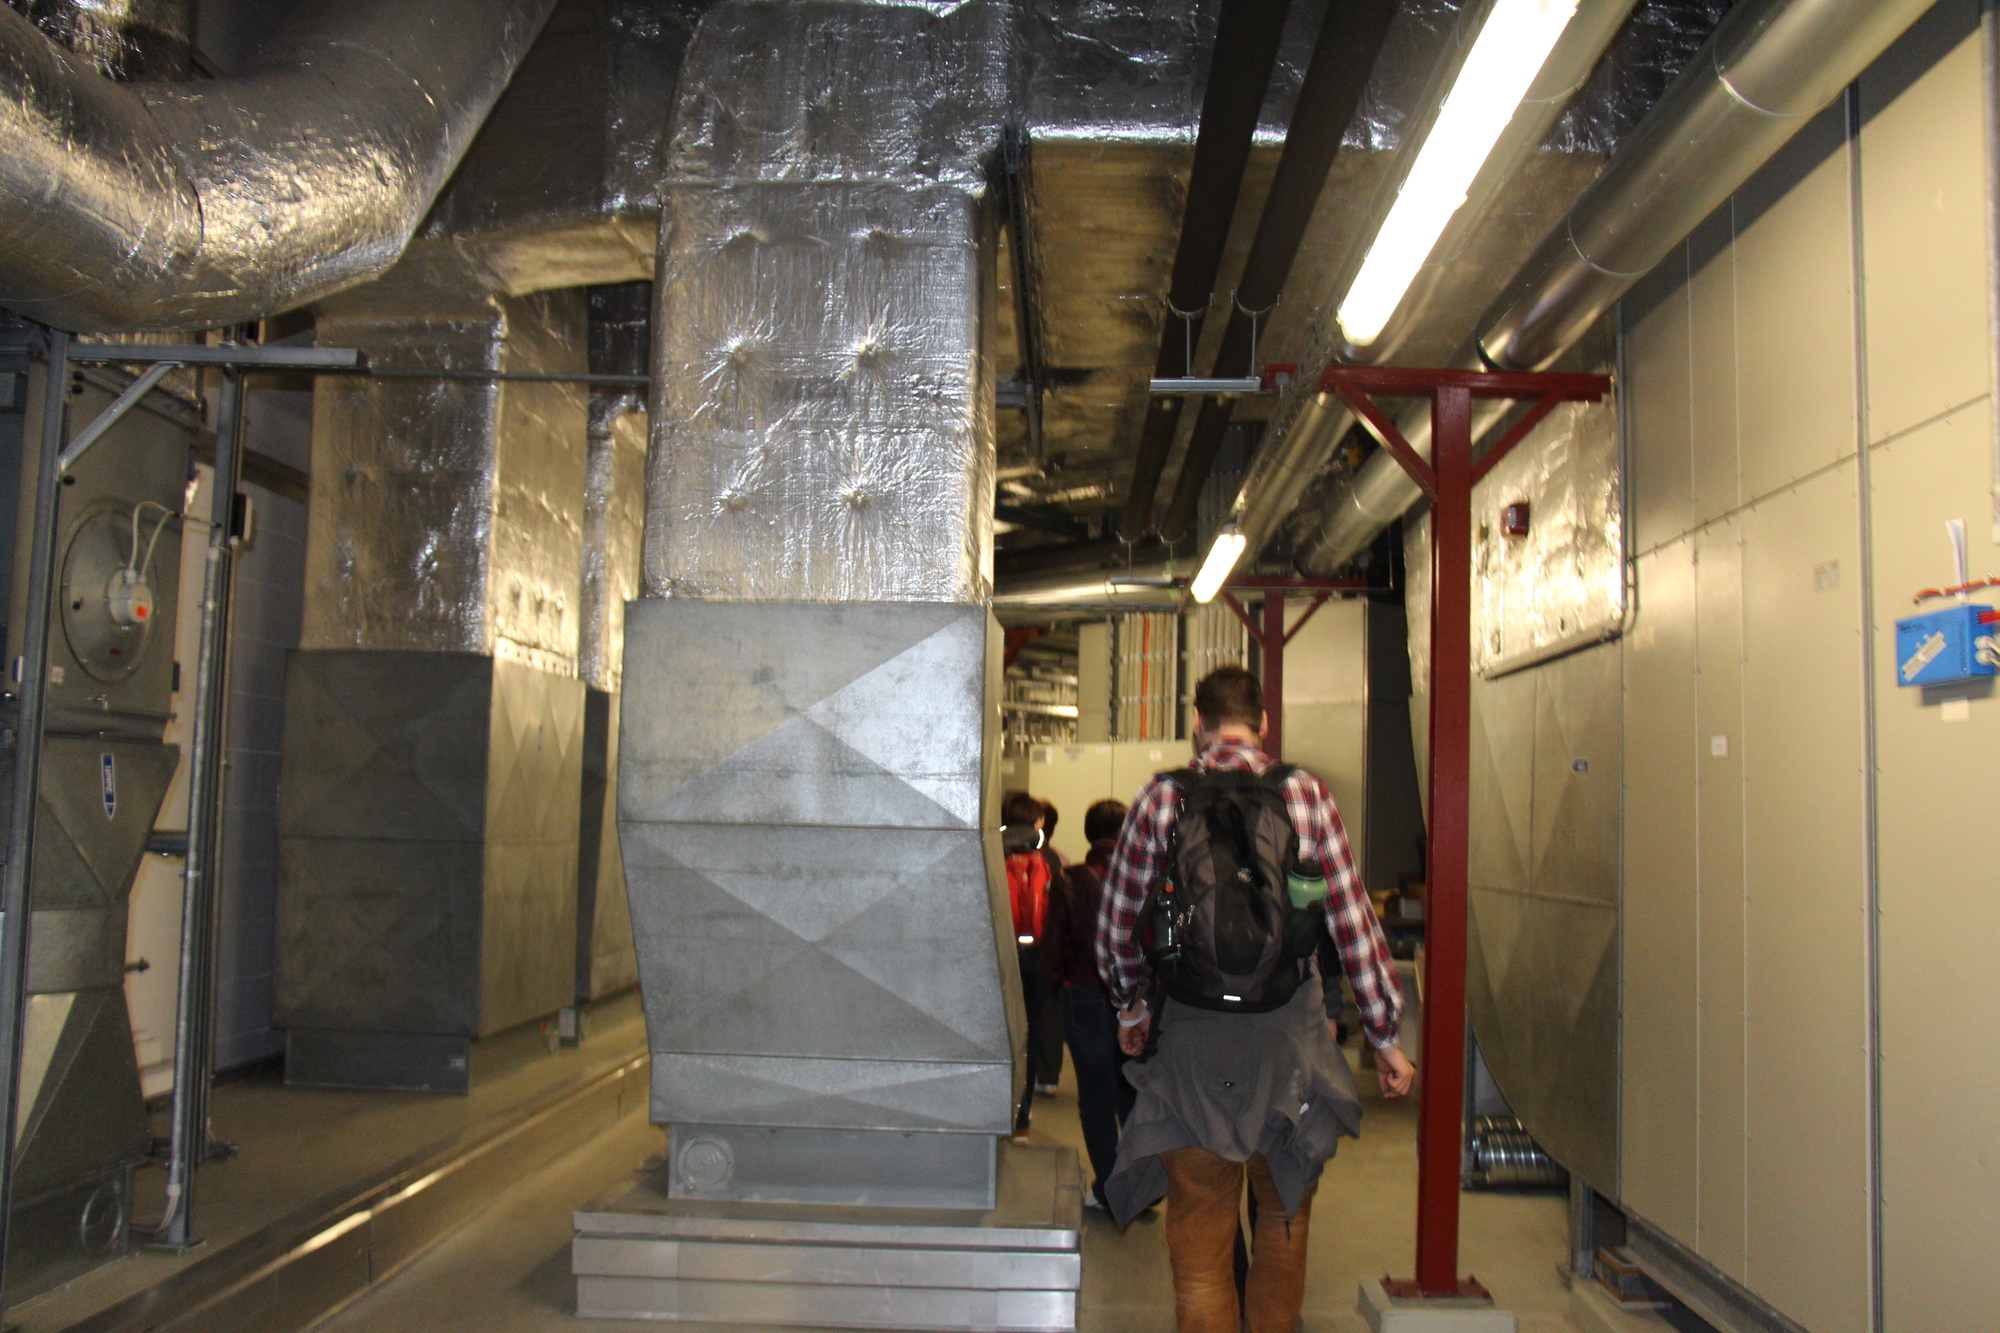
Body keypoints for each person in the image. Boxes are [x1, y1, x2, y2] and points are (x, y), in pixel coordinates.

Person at [1095, 665, 1417, 1333]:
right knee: (1282, 1219)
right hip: (1290, 1042)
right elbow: (1352, 922)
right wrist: (1385, 1036)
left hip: (1191, 1044)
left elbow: (1116, 926)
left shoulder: (1160, 798)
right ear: (1264, 724)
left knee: (1202, 1255)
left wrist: (1132, 1008)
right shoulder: (1305, 794)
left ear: (1195, 720)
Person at [1039, 798, 1136, 1209]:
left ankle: (1109, 1191)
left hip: (1082, 996)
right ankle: (1141, 1188)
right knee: (1132, 1093)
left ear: (1087, 833)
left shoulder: (1069, 878)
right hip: (1135, 999)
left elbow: (1053, 945)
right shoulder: (1139, 875)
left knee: (1095, 1098)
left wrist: (1055, 988)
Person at [1001, 789, 1060, 1135]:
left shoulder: (991, 849)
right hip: (1038, 954)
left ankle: (1000, 1107)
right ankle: (1023, 1116)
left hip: (1003, 954)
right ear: (1037, 821)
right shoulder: (1048, 857)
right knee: (1033, 1030)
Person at [1032, 799, 1068, 1093]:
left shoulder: (1009, 854)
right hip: (1051, 945)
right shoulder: (1060, 859)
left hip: (1021, 944)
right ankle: (1049, 1076)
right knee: (1050, 1010)